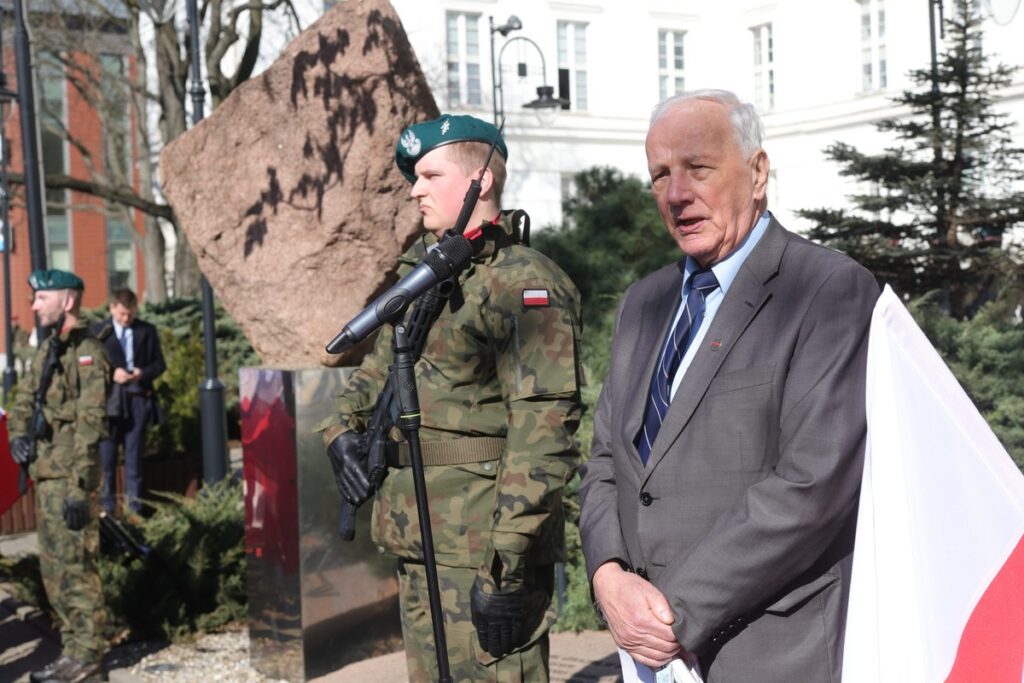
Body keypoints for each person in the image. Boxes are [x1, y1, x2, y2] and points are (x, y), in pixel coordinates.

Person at [578, 90, 880, 682]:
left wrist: (672, 613)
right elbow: (607, 459)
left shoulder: (826, 289)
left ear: (758, 173)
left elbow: (812, 485)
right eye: (660, 175)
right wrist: (607, 575)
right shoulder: (644, 303)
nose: (675, 194)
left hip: (766, 650)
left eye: (698, 168)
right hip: (646, 650)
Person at [321, 114, 584, 682]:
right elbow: (378, 371)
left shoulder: (522, 283)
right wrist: (340, 430)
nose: (414, 190)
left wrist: (506, 562)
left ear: (479, 182)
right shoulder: (426, 276)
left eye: (430, 175)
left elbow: (543, 431)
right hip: (419, 539)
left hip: (482, 546)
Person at [8, 269, 112, 683]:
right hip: (47, 476)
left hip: (71, 479)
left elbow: (91, 424)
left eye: (42, 298)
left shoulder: (88, 353)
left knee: (78, 572)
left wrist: (79, 489)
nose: (34, 306)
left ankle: (88, 658)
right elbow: (24, 399)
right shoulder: (49, 349)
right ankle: (72, 653)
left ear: (67, 301)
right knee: (54, 574)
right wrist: (18, 436)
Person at [91, 288, 166, 515]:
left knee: (134, 461)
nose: (126, 318)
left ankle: (135, 511)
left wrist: (142, 373)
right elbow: (89, 365)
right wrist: (111, 373)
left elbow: (159, 364)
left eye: (130, 314)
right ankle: (108, 512)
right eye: (122, 313)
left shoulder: (146, 331)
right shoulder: (98, 332)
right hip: (110, 402)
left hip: (137, 399)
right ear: (112, 308)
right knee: (107, 461)